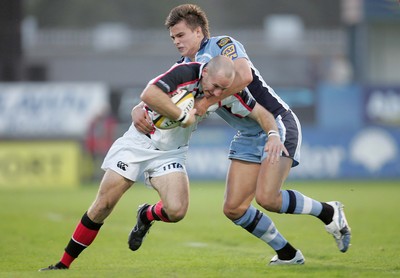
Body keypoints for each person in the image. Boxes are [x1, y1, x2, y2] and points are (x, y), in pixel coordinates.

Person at [132, 4, 351, 265]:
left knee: (269, 198)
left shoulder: (223, 44)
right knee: (234, 209)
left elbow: (244, 75)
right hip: (247, 135)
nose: (176, 42)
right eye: (173, 38)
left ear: (198, 31)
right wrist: (138, 109)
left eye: (180, 35)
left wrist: (203, 103)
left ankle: (328, 211)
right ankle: (287, 254)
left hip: (275, 123)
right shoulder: (185, 67)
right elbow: (159, 92)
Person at [39, 55, 241, 271]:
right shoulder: (185, 72)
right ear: (206, 72)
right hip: (138, 142)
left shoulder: (224, 90)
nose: (218, 92)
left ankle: (146, 214)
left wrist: (274, 132)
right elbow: (149, 94)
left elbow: (247, 90)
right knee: (104, 204)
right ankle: (63, 264)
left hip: (171, 152)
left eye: (223, 88)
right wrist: (181, 117)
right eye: (216, 86)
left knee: (177, 210)